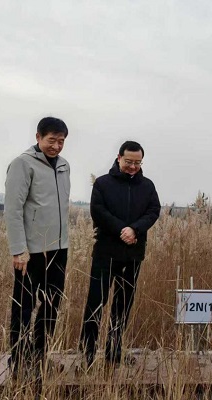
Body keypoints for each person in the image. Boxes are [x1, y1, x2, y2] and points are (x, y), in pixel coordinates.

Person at [79, 141, 161, 369]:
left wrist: (135, 229)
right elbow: (98, 211)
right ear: (119, 158)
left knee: (122, 305)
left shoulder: (148, 186)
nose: (133, 166)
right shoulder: (103, 183)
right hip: (105, 253)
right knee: (96, 303)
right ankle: (87, 354)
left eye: (137, 162)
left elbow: (153, 211)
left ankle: (114, 351)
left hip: (133, 254)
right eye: (129, 162)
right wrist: (121, 230)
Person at [4, 117, 71, 379]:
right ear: (38, 137)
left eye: (61, 141)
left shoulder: (64, 166)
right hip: (30, 251)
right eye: (51, 140)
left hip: (58, 248)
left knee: (52, 303)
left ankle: (40, 356)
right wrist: (18, 249)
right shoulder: (23, 164)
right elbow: (13, 210)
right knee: (24, 305)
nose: (56, 146)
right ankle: (19, 360)